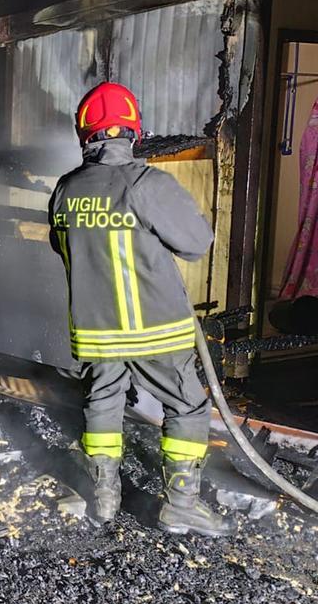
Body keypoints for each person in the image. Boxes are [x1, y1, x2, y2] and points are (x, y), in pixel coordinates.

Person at [47, 81, 233, 537]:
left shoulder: (66, 190)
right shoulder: (148, 184)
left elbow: (61, 245)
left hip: (95, 331)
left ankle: (104, 498)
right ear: (134, 131)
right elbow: (195, 244)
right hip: (156, 328)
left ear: (84, 133)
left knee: (102, 402)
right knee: (187, 406)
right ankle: (182, 507)